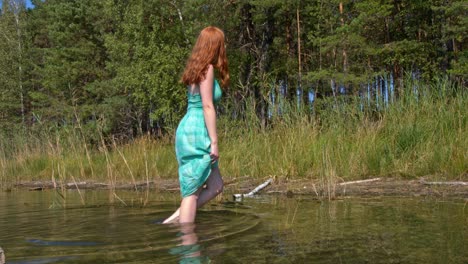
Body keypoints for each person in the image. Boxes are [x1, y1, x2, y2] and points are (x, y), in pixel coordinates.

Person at [163, 26, 229, 224]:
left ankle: (175, 219)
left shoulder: (196, 69)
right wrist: (214, 142)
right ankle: (188, 245)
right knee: (192, 191)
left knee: (216, 185)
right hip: (197, 131)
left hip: (188, 128)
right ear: (214, 46)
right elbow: (208, 106)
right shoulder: (207, 69)